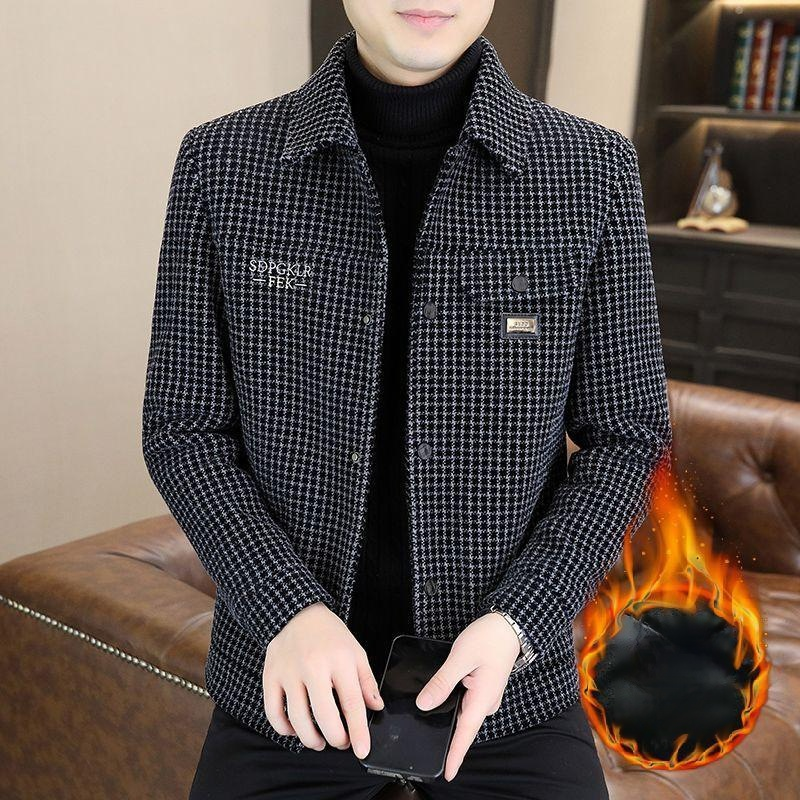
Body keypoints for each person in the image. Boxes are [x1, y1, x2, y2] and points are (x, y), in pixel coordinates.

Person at [142, 2, 672, 798]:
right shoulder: (223, 161)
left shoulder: (591, 168)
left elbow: (627, 437)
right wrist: (286, 610)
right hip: (291, 683)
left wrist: (521, 620)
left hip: (509, 684)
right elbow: (182, 428)